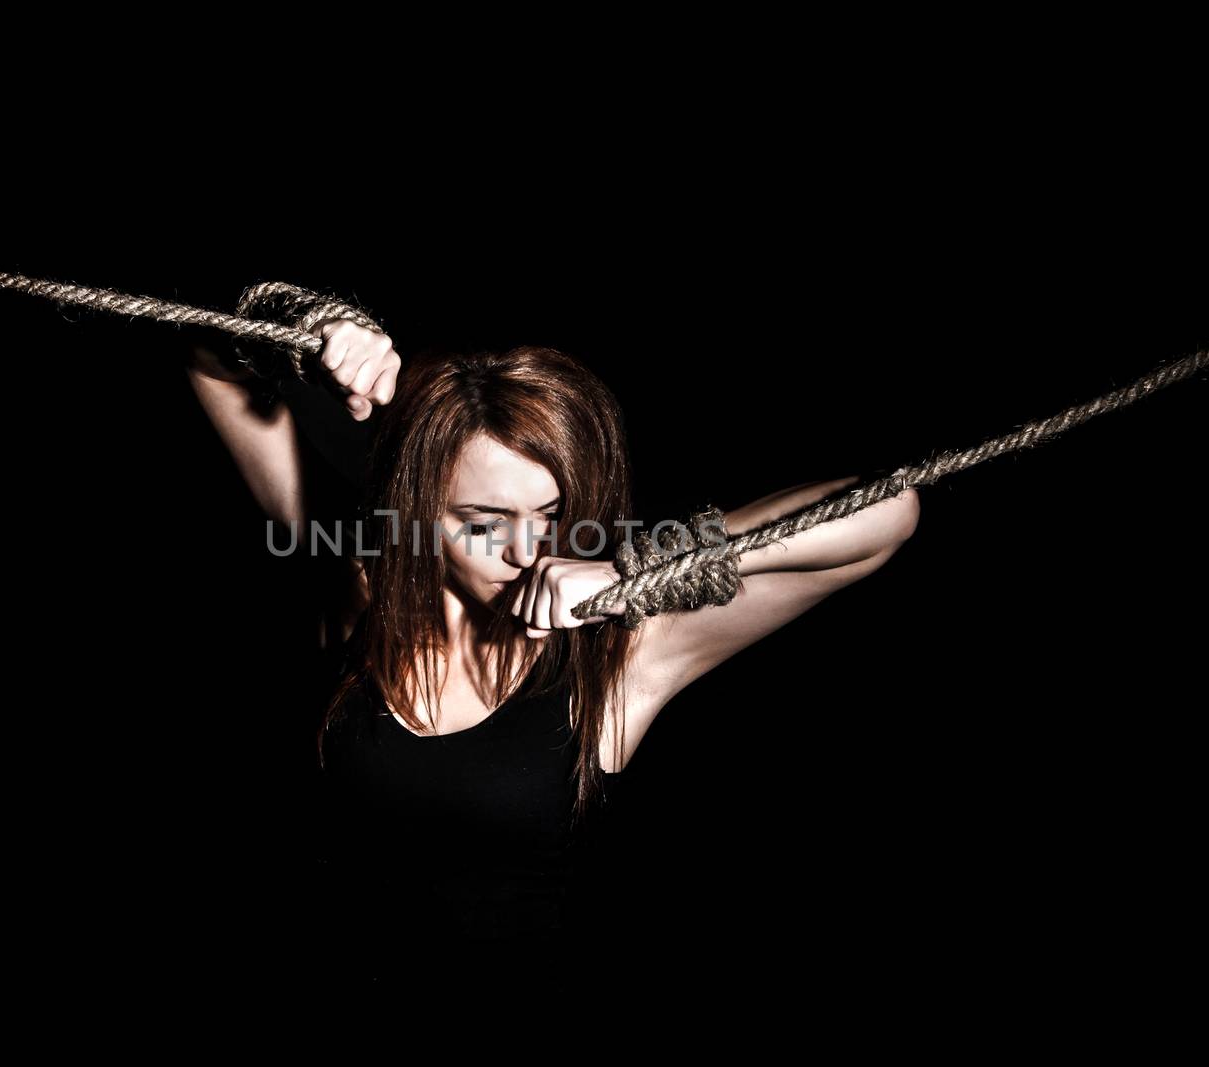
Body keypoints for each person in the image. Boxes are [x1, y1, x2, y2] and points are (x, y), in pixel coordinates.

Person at [185, 316, 921, 992]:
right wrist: (311, 338)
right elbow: (211, 361)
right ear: (414, 511)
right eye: (482, 521)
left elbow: (888, 510)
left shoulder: (624, 650)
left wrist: (634, 569)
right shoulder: (356, 594)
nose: (526, 552)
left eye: (550, 516)